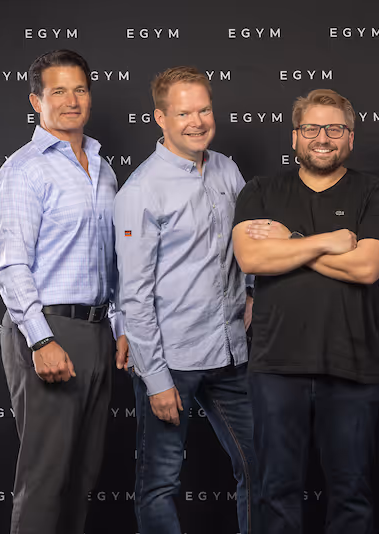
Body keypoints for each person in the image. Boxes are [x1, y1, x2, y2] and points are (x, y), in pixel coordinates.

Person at [232, 89, 379, 534]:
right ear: (295, 137)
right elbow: (252, 258)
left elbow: (366, 268)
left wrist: (289, 243)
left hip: (352, 367)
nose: (322, 138)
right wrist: (326, 241)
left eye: (335, 128)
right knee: (276, 492)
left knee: (352, 494)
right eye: (311, 128)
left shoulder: (377, 193)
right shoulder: (260, 191)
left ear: (351, 138)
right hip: (275, 367)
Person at [0, 49, 128, 534]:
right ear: (36, 101)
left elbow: (109, 259)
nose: (72, 100)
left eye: (80, 89)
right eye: (58, 91)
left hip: (96, 331)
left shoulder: (103, 169)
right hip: (48, 330)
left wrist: (119, 326)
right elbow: (10, 264)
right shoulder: (24, 170)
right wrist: (41, 339)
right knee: (45, 480)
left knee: (82, 477)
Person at [113, 66, 256, 534]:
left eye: (204, 110)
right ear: (161, 118)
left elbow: (247, 241)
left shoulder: (227, 168)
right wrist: (155, 380)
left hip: (230, 352)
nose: (197, 121)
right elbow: (134, 295)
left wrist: (251, 290)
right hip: (171, 360)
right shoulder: (141, 191)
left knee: (259, 466)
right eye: (183, 113)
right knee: (159, 483)